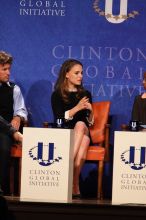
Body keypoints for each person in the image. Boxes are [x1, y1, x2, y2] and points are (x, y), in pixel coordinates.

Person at [51, 59, 94, 197]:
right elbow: (59, 118)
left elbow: (90, 123)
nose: (80, 76)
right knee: (84, 143)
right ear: (67, 74)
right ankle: (74, 184)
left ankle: (66, 163)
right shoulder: (57, 95)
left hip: (83, 129)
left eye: (81, 73)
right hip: (67, 134)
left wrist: (91, 110)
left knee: (80, 125)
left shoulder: (85, 94)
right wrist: (77, 108)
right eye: (77, 73)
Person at [0, 51, 28, 195]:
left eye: (9, 69)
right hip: (9, 130)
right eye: (4, 69)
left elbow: (22, 110)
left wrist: (18, 117)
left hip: (3, 132)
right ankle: (15, 134)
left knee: (4, 146)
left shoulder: (14, 89)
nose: (8, 73)